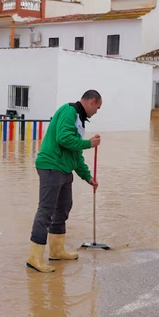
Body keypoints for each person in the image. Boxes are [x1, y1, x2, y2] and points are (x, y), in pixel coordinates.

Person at [26, 90, 103, 273]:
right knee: (46, 210)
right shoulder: (69, 111)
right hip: (51, 166)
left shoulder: (79, 119)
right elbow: (63, 139)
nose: (97, 112)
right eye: (98, 107)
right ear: (92, 102)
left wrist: (88, 177)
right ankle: (34, 258)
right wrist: (88, 144)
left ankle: (57, 251)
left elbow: (75, 154)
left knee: (63, 208)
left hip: (64, 168)